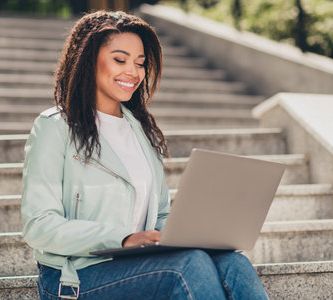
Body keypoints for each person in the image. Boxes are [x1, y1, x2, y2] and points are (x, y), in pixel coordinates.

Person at [21, 10, 268, 300]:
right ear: (88, 60)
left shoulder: (140, 129)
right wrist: (123, 239)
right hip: (75, 276)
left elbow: (160, 214)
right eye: (120, 60)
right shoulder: (56, 127)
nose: (134, 72)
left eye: (140, 63)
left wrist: (190, 237)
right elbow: (38, 225)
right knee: (187, 266)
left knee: (233, 263)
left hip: (136, 267)